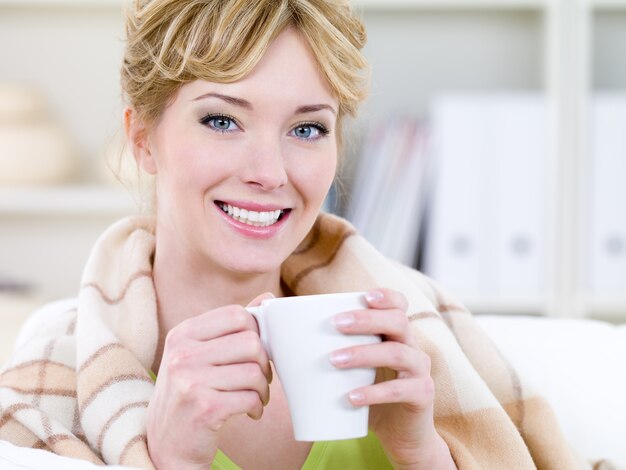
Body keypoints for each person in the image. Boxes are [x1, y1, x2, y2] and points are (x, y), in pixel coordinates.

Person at [0, 1, 583, 469]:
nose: (270, 172)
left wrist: (424, 456)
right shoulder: (50, 394)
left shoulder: (426, 343)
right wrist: (171, 461)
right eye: (222, 120)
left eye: (306, 128)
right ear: (143, 139)